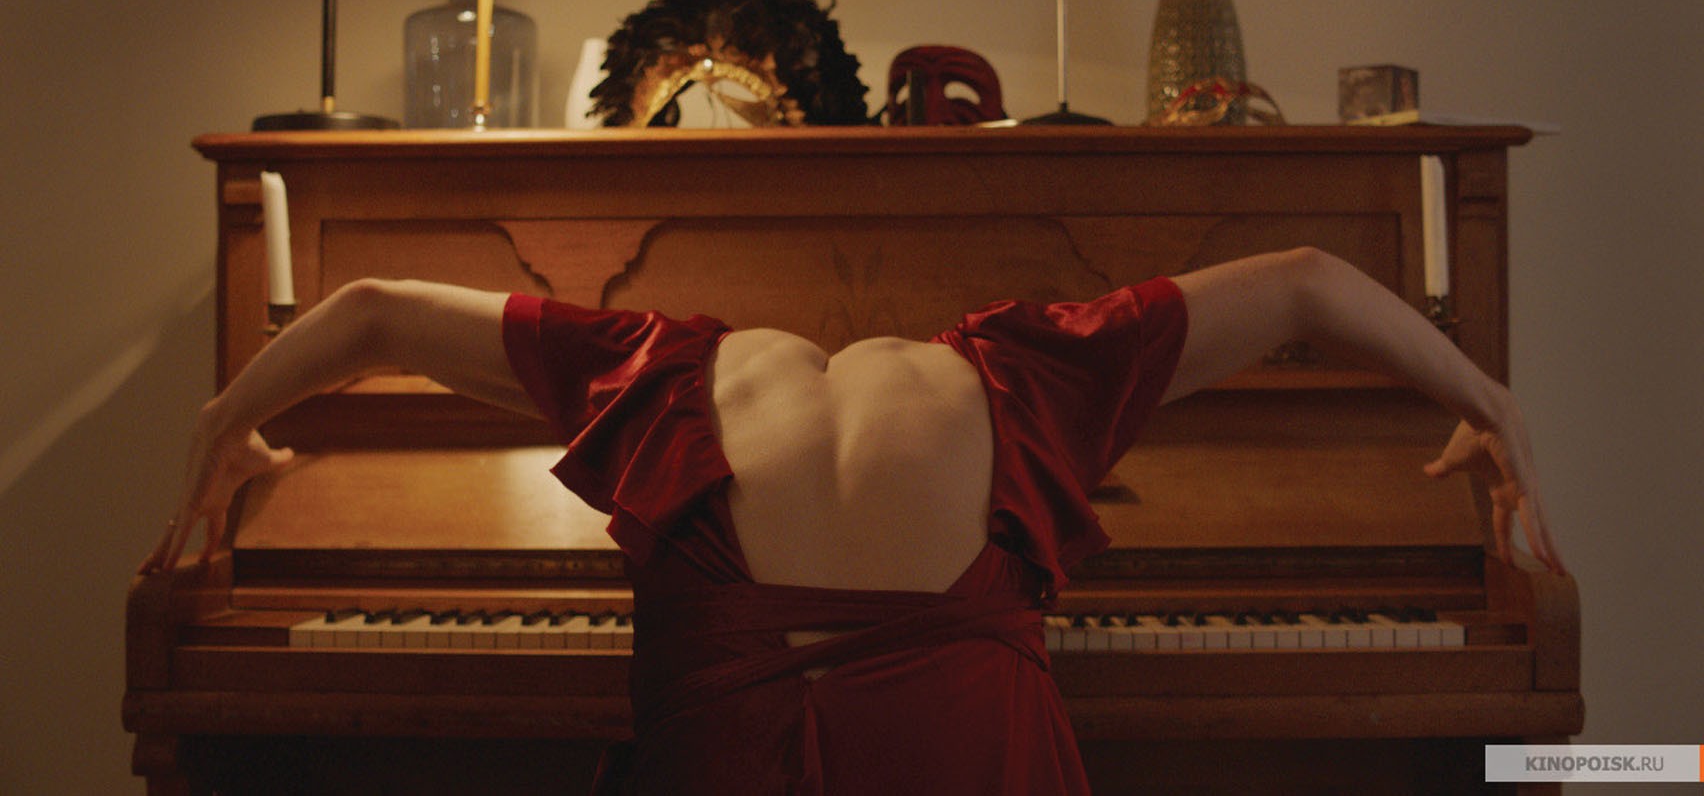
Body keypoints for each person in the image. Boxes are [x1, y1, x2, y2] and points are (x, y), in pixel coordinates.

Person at [141, 247, 1563, 795]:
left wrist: (222, 428)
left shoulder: (655, 368)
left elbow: (369, 310)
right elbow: (1310, 279)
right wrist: (1490, 401)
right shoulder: (1026, 369)